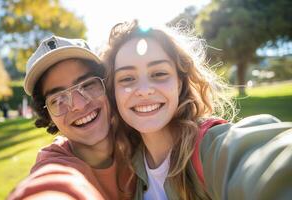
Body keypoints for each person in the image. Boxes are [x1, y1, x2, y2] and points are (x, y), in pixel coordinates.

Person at [101, 20, 292, 200]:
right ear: (113, 92)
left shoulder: (210, 147)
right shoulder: (128, 168)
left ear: (179, 83)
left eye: (159, 74)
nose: (143, 91)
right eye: (126, 78)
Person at [8, 35, 134, 200]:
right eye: (58, 99)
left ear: (106, 85)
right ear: (49, 115)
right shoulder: (53, 165)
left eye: (88, 85)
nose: (79, 105)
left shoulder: (140, 135)